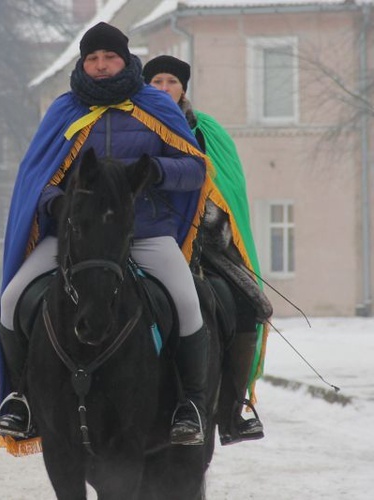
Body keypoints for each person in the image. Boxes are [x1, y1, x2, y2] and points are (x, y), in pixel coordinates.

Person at [0, 22, 216, 447]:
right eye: (92, 58)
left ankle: (190, 403)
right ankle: (21, 397)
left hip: (146, 231)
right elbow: (34, 177)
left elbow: (195, 170)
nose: (100, 66)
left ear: (125, 59)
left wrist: (157, 170)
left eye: (109, 57)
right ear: (82, 63)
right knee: (11, 300)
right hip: (74, 238)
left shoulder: (156, 106)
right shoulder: (63, 110)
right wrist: (56, 203)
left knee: (189, 304)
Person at [143, 55, 268, 445]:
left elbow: (228, 195)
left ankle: (231, 409)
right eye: (156, 82)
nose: (164, 88)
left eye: (171, 82)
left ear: (183, 89)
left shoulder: (207, 132)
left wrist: (208, 221)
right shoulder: (135, 124)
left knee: (252, 304)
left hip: (206, 249)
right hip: (145, 239)